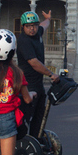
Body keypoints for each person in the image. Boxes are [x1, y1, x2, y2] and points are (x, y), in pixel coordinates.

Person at [17, 10, 59, 138]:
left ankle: (35, 142)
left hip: (38, 84)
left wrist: (48, 19)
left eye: (34, 25)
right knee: (25, 118)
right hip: (27, 85)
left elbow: (44, 25)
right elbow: (34, 62)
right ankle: (20, 145)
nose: (32, 29)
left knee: (39, 117)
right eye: (28, 26)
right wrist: (51, 74)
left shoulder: (38, 32)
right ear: (23, 27)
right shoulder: (24, 40)